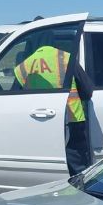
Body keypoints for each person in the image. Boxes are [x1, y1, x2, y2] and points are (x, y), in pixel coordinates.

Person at [14, 44, 94, 175]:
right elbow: (87, 92)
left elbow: (15, 98)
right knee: (78, 169)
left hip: (36, 122)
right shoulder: (66, 58)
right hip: (72, 118)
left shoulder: (23, 67)